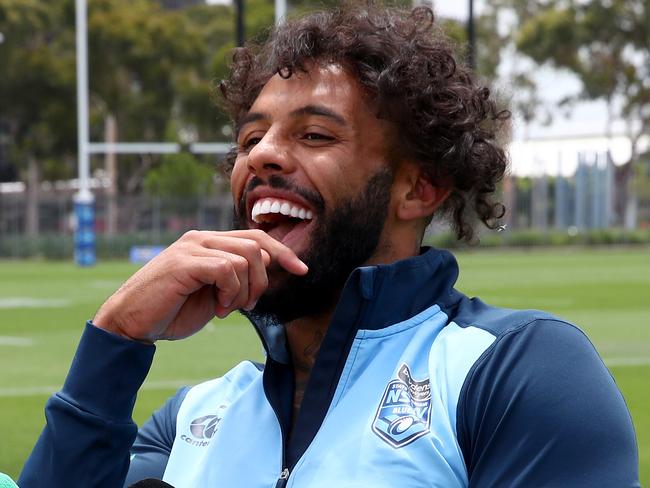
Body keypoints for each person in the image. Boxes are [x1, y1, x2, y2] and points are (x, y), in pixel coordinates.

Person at [20, 4, 639, 487]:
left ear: (419, 187)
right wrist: (116, 338)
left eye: (314, 134)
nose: (259, 154)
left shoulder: (515, 374)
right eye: (249, 137)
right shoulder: (188, 423)